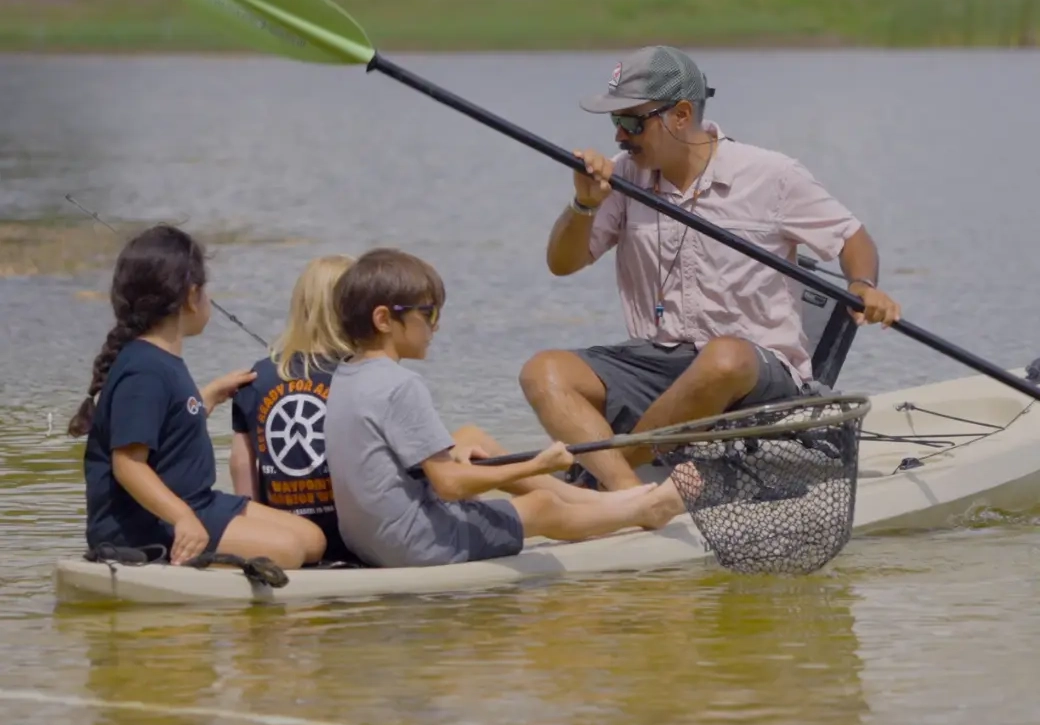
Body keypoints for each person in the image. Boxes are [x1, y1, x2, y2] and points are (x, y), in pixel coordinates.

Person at [518, 45, 904, 491]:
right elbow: (562, 264)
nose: (621, 136)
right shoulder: (621, 179)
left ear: (681, 114)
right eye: (615, 122)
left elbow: (852, 238)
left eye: (632, 122)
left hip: (756, 373)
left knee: (723, 358)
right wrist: (584, 204)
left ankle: (597, 475)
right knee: (543, 371)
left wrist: (863, 285)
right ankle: (627, 492)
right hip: (661, 363)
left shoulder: (772, 174)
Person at [324, 247, 685, 569]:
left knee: (471, 438)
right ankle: (645, 510)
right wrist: (537, 465)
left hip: (366, 541)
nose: (437, 325)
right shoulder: (402, 385)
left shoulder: (346, 374)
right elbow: (449, 485)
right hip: (417, 544)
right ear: (384, 320)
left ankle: (595, 501)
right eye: (428, 313)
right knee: (542, 506)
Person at [68, 224, 327, 569]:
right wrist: (183, 518)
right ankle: (188, 567)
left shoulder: (161, 360)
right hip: (143, 524)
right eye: (206, 291)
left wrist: (209, 397)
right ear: (191, 296)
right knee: (288, 551)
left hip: (196, 501)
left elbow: (169, 430)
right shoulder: (144, 371)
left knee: (313, 540)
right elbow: (128, 465)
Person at [230, 254, 363, 565]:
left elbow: (241, 466)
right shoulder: (361, 376)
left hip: (285, 538)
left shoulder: (256, 378)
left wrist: (251, 537)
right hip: (354, 545)